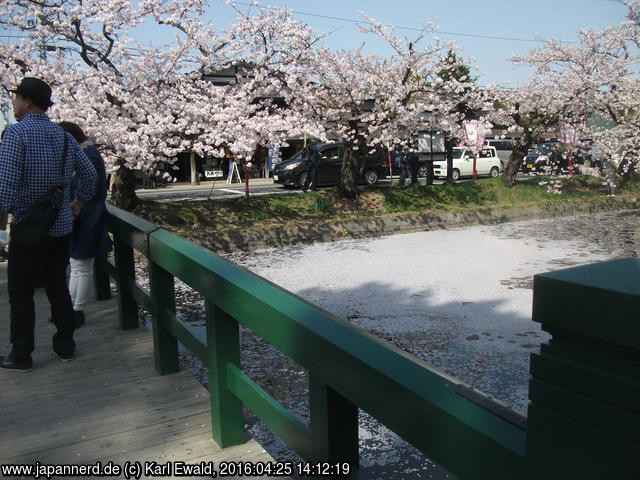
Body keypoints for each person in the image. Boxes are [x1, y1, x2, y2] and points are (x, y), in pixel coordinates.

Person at [0, 77, 96, 371]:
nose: (13, 104)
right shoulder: (65, 137)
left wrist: (2, 224)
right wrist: (77, 203)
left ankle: (22, 354)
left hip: (28, 228)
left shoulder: (16, 135)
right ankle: (65, 345)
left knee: (21, 292)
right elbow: (90, 176)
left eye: (15, 98)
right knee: (57, 286)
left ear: (28, 101)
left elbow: (4, 187)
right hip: (60, 227)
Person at [59, 121, 112, 328]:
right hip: (82, 216)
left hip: (88, 216)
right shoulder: (85, 153)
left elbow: (90, 187)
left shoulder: (89, 156)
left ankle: (76, 310)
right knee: (77, 265)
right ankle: (70, 308)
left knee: (81, 265)